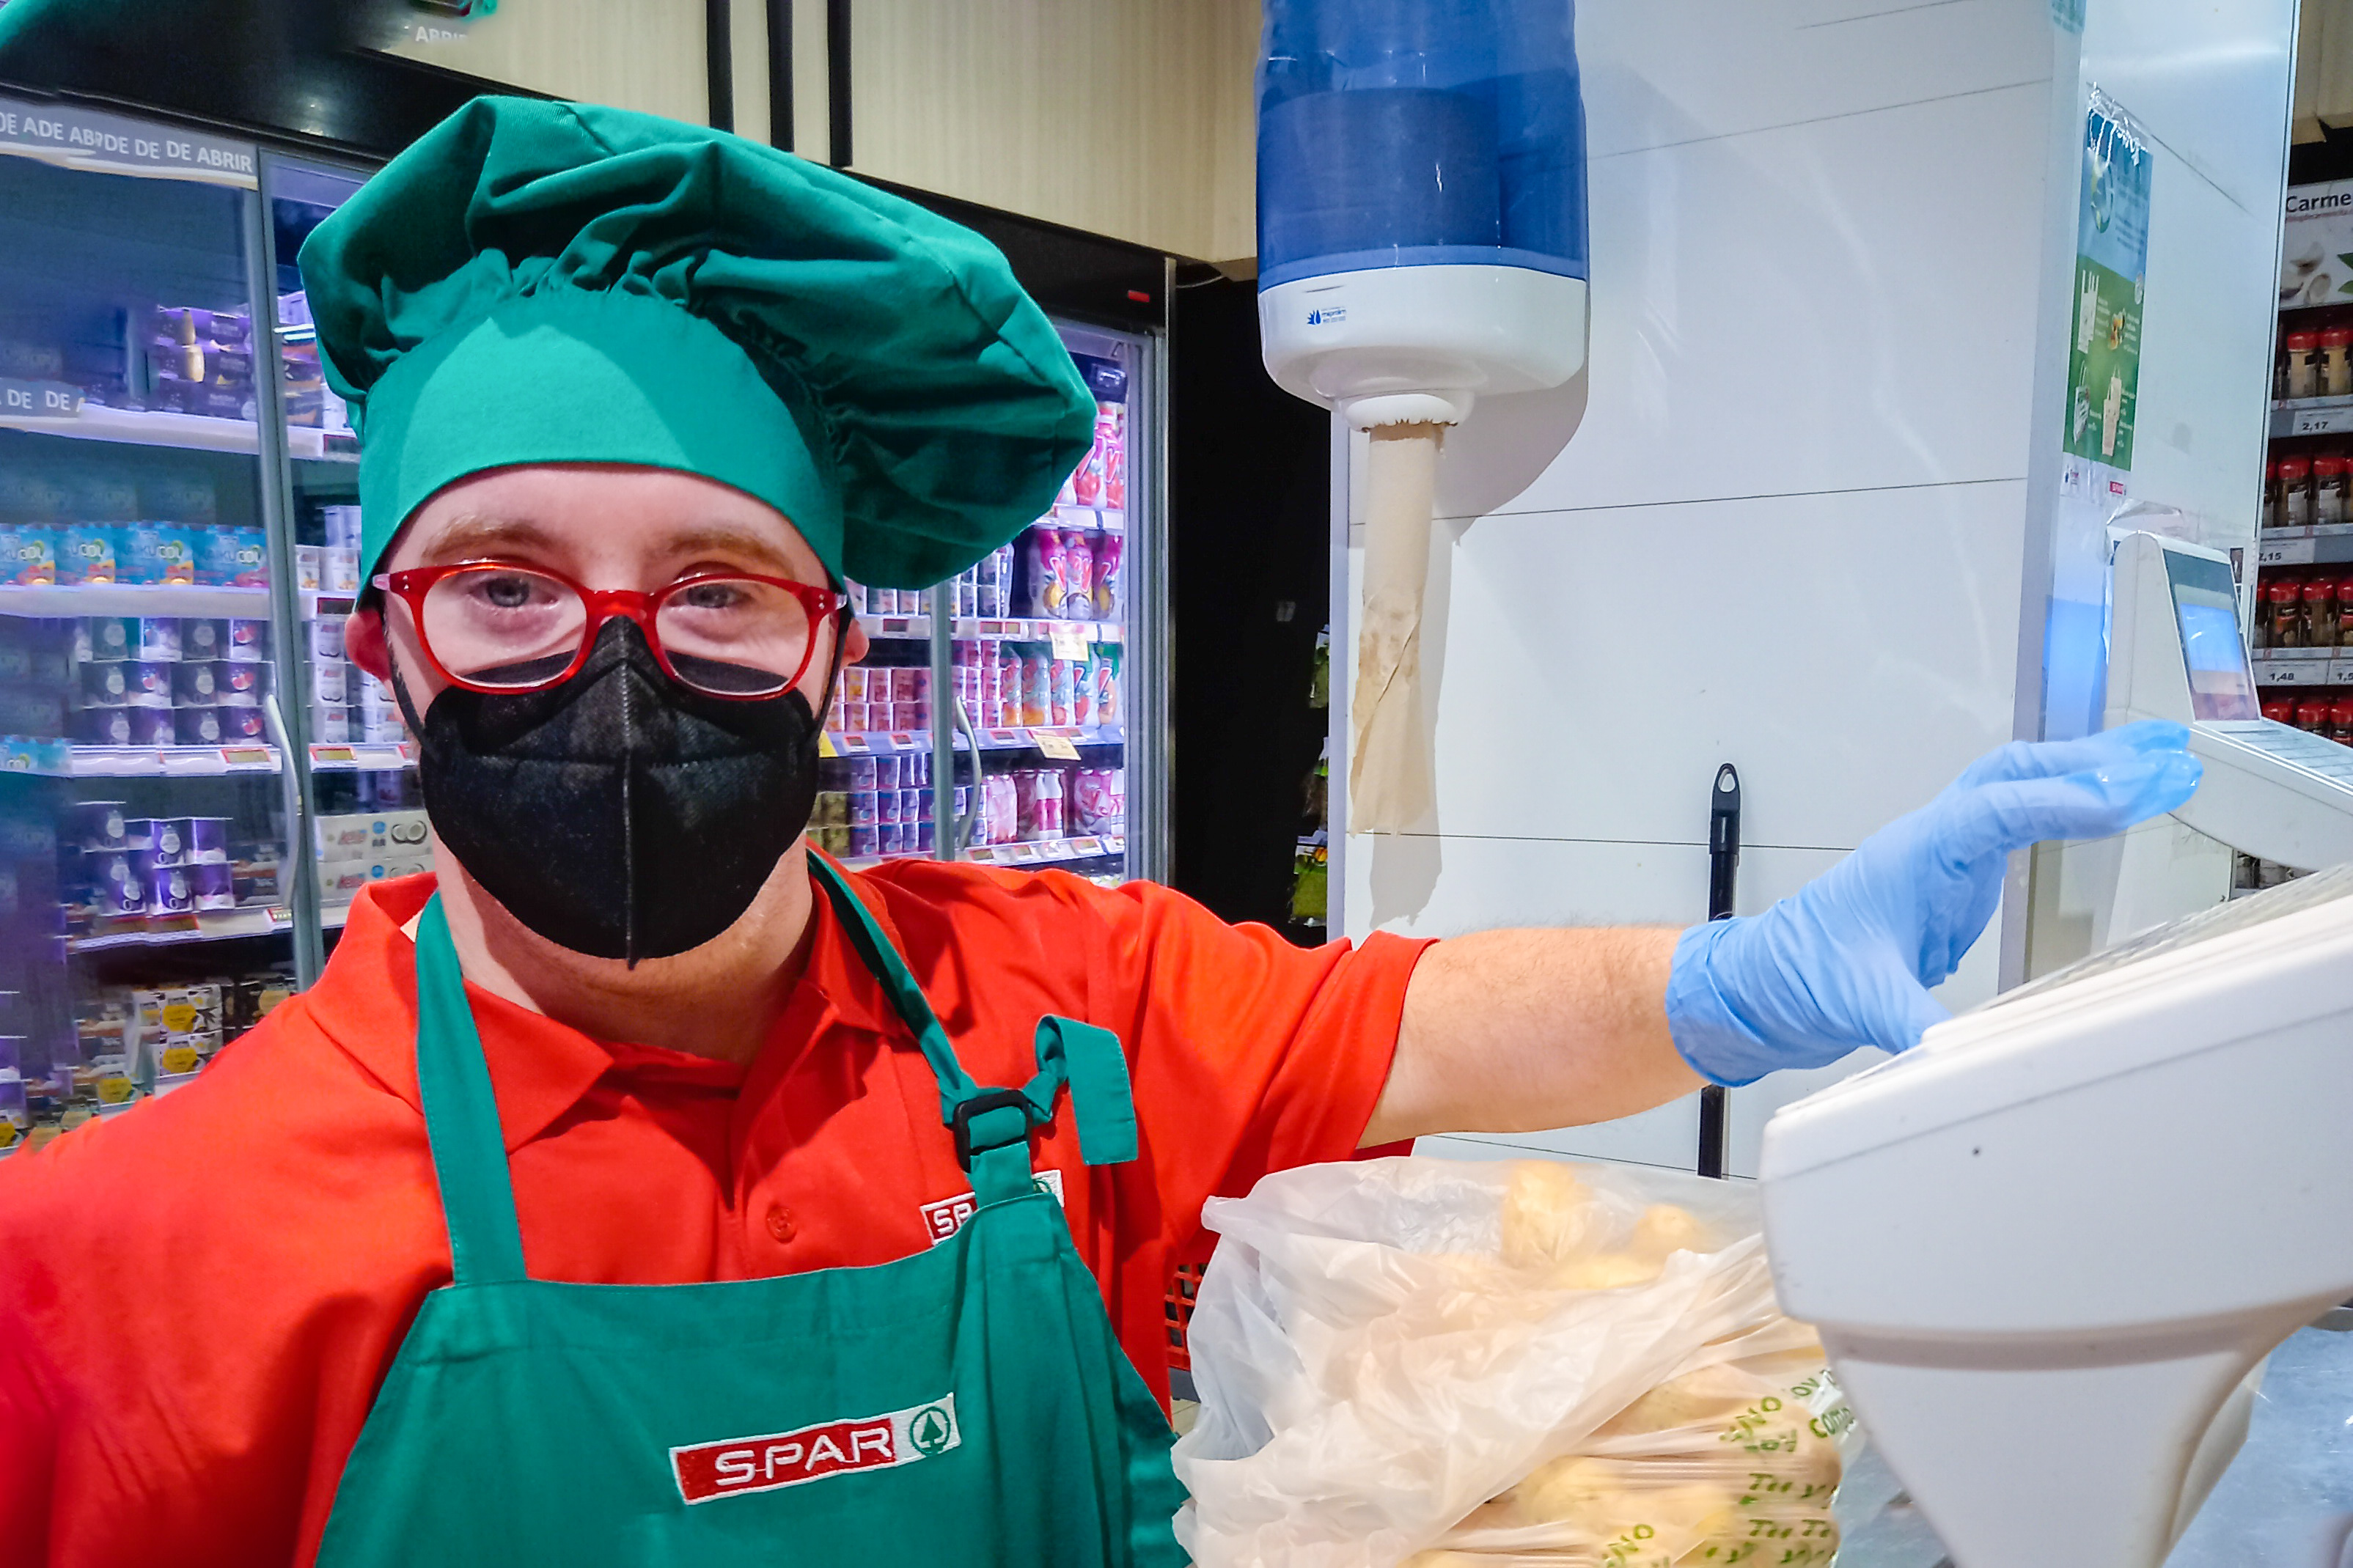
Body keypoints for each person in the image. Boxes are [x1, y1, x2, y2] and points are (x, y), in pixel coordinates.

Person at [0, 97, 2202, 1567]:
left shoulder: (1045, 1005)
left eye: (716, 589)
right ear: (383, 639)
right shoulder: (121, 1260)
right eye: (504, 585)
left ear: (835, 653)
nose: (614, 663)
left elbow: (1409, 1020)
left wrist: (1737, 983)